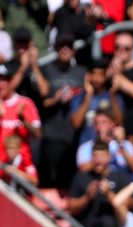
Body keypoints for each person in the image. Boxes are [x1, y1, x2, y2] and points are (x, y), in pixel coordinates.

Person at [39, 32, 86, 187]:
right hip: (52, 133)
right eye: (61, 47)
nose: (65, 50)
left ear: (74, 51)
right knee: (51, 181)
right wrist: (56, 99)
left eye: (69, 47)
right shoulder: (48, 70)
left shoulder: (81, 72)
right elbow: (42, 103)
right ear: (56, 50)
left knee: (69, 180)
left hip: (74, 134)